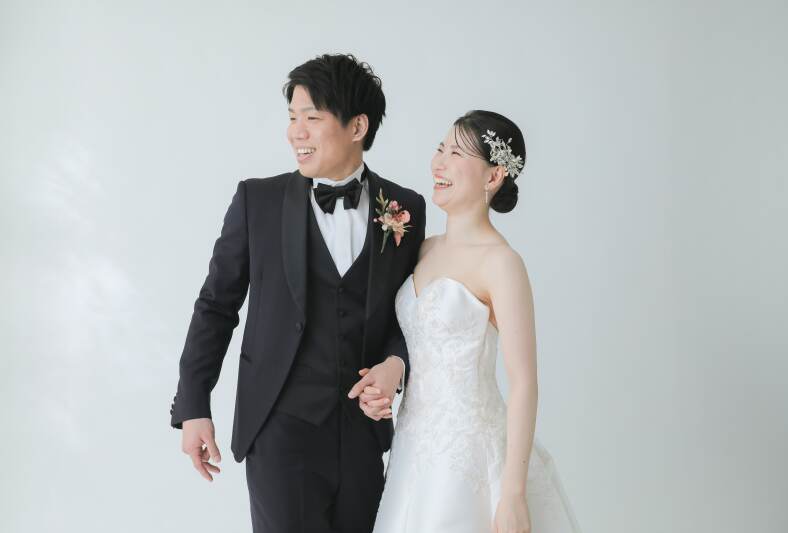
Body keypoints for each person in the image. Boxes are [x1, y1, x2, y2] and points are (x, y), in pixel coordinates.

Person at [169, 53, 426, 533]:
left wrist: (396, 364)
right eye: (292, 118)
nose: (295, 133)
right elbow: (216, 306)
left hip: (365, 437)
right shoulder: (257, 201)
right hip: (279, 430)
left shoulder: (404, 208)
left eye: (312, 118)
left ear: (357, 126)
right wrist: (193, 406)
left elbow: (411, 315)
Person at [365, 110, 582, 532]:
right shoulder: (425, 249)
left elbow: (524, 383)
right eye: (440, 149)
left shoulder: (501, 263)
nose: (439, 163)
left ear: (493, 175)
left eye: (456, 154)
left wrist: (513, 492)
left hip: (468, 459)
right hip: (411, 452)